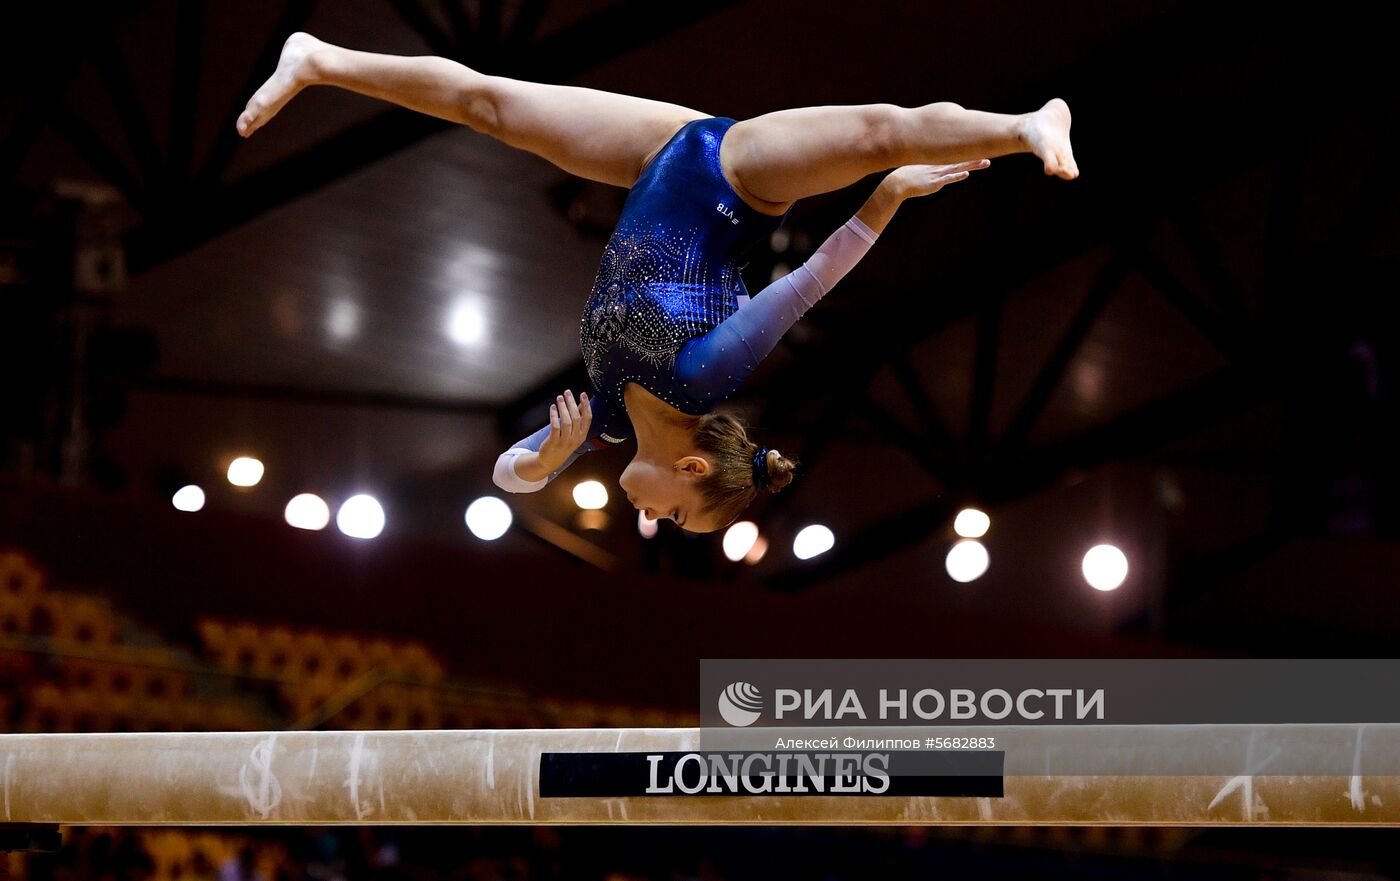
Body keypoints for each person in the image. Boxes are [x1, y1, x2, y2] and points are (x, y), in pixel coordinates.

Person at [238, 33, 1079, 534]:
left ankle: (318, 59)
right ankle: (1023, 125)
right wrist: (889, 195)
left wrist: (544, 468)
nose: (651, 522)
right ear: (688, 465)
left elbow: (505, 473)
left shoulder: (601, 419)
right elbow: (812, 281)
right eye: (675, 514)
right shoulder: (705, 376)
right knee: (879, 134)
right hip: (736, 176)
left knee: (490, 107)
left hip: (652, 154)